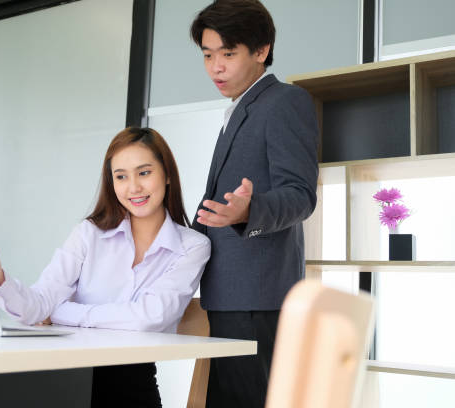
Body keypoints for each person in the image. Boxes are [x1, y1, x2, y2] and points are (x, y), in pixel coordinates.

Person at [0, 127, 211, 408]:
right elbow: (38, 307)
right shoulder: (89, 233)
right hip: (67, 379)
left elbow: (148, 318)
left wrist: (61, 312)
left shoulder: (193, 246)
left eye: (144, 172)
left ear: (168, 175)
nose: (133, 187)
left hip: (132, 384)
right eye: (121, 177)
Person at [189, 1, 319, 407]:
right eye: (208, 55)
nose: (216, 67)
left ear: (261, 51)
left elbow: (301, 194)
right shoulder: (239, 109)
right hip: (228, 293)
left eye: (228, 53)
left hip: (257, 296)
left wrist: (249, 211)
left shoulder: (284, 101)